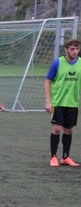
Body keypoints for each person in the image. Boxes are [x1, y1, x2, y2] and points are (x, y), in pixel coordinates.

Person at [44, 38, 81, 167]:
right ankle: (53, 157)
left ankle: (66, 157)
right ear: (66, 50)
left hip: (72, 103)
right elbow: (48, 81)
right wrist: (48, 101)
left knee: (69, 130)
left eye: (77, 48)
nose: (75, 51)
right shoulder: (57, 63)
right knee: (56, 129)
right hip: (58, 102)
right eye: (72, 49)